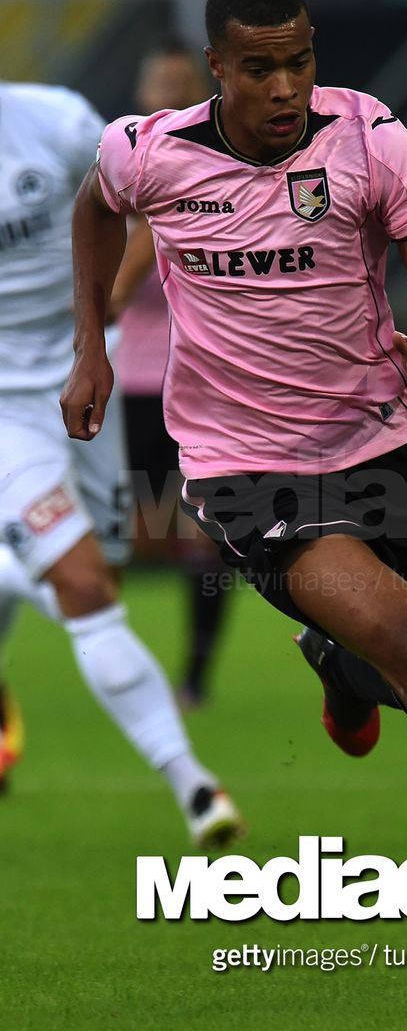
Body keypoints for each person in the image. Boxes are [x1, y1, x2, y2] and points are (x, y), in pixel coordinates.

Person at [62, 0, 407, 860]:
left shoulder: (372, 141)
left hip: (377, 442)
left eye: (299, 61)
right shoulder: (149, 151)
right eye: (260, 68)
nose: (286, 86)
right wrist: (91, 344)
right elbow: (95, 209)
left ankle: (338, 669)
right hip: (240, 464)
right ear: (217, 66)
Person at [0, 79, 242, 846]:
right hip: (4, 412)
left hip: (82, 374)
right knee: (81, 587)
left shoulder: (57, 120)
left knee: (104, 574)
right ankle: (195, 784)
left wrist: (102, 305)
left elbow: (141, 207)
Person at [111, 41, 230, 708]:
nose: (174, 97)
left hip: (204, 381)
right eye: (164, 84)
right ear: (141, 95)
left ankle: (194, 678)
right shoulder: (116, 177)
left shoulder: (223, 179)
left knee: (206, 534)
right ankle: (114, 662)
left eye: (187, 87)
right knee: (122, 534)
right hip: (129, 382)